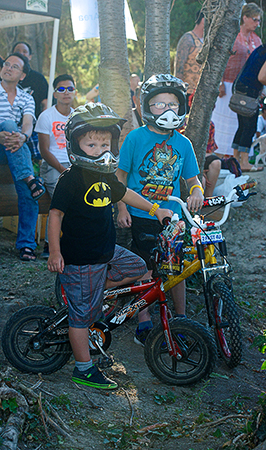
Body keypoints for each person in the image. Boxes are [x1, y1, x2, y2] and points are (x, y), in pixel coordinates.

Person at [47, 102, 172, 389]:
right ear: (77, 145)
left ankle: (95, 291)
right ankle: (83, 368)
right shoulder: (71, 179)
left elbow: (126, 193)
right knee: (83, 318)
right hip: (80, 257)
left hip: (105, 252)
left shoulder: (104, 175)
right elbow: (55, 216)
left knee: (140, 267)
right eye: (91, 144)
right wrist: (55, 251)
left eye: (104, 143)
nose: (100, 149)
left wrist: (156, 209)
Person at [116, 74, 204, 345]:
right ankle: (144, 321)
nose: (167, 109)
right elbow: (119, 178)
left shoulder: (184, 143)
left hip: (173, 218)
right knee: (145, 267)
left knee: (177, 269)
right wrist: (122, 209)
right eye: (159, 104)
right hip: (142, 215)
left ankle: (180, 319)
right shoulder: (134, 138)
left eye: (172, 104)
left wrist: (197, 192)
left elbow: (192, 179)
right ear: (146, 108)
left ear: (181, 108)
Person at [0, 52, 45, 261]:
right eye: (7, 64)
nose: (8, 68)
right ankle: (30, 177)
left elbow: (27, 124)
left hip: (15, 148)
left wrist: (23, 137)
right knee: (7, 124)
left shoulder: (27, 97)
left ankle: (26, 246)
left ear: (22, 75)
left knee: (28, 191)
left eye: (15, 66)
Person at [212, 3, 262, 157]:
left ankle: (236, 159)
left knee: (243, 125)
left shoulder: (256, 40)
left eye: (259, 21)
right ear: (244, 17)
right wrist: (219, 82)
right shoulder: (233, 35)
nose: (257, 23)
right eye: (254, 19)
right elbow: (220, 59)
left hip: (247, 89)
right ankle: (218, 155)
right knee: (224, 123)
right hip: (227, 84)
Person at [35, 74, 76, 258]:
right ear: (55, 93)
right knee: (61, 200)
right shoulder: (46, 116)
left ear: (75, 92)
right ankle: (48, 245)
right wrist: (62, 169)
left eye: (70, 89)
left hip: (74, 166)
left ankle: (67, 243)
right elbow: (44, 151)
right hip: (52, 166)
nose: (66, 92)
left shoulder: (78, 117)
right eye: (61, 89)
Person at [232, 43, 266, 172]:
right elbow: (262, 77)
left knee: (242, 126)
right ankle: (244, 162)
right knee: (249, 127)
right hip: (249, 91)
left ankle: (236, 160)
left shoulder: (261, 49)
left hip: (241, 87)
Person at [12, 42, 49, 160]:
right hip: (10, 128)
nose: (21, 54)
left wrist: (42, 126)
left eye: (24, 51)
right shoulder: (3, 78)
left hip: (34, 128)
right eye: (18, 51)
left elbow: (45, 104)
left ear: (30, 56)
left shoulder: (38, 78)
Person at [174, 10, 205, 109]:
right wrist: (177, 93)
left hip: (199, 93)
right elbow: (179, 66)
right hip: (186, 92)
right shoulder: (188, 38)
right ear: (203, 20)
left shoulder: (205, 41)